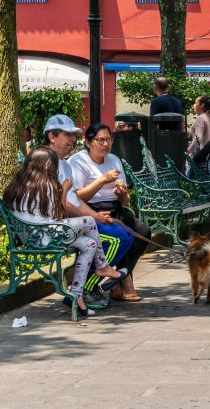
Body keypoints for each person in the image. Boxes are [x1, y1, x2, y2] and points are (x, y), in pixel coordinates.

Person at [3, 147, 124, 317]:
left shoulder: (18, 186)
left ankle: (77, 294)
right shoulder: (46, 186)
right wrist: (65, 189)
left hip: (31, 236)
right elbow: (59, 213)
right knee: (89, 221)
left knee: (89, 244)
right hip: (47, 235)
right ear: (46, 166)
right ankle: (103, 266)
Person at [43, 114, 131, 310]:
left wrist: (100, 212)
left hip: (69, 221)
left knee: (94, 241)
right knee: (118, 238)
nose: (72, 139)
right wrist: (95, 215)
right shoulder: (44, 161)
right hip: (44, 227)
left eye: (109, 139)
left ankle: (76, 295)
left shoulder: (63, 164)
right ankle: (99, 274)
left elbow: (71, 200)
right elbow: (63, 203)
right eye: (68, 135)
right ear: (52, 136)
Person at [70, 123, 153, 302]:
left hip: (116, 209)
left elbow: (125, 200)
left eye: (108, 139)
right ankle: (123, 281)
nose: (105, 144)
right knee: (124, 235)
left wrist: (122, 194)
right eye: (100, 140)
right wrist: (101, 181)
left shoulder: (114, 159)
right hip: (91, 211)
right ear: (88, 143)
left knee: (144, 231)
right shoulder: (78, 161)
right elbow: (76, 197)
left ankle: (120, 278)